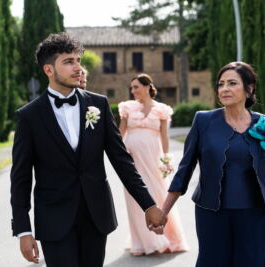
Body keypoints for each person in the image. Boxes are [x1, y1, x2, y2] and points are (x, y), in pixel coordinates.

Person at [10, 33, 167, 267]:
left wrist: (149, 204)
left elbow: (122, 161)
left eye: (78, 61)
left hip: (96, 216)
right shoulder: (29, 116)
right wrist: (23, 231)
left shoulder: (98, 104)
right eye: (68, 61)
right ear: (49, 70)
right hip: (54, 220)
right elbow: (20, 178)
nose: (77, 68)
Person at [161, 62, 265, 267]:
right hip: (211, 212)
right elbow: (184, 170)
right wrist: (164, 211)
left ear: (250, 89)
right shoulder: (203, 121)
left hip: (255, 213)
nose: (224, 89)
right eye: (220, 84)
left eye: (232, 83)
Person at [118, 73, 189, 256]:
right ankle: (143, 242)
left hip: (153, 159)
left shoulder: (162, 110)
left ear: (148, 86)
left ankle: (168, 236)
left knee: (158, 196)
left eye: (136, 87)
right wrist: (120, 155)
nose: (133, 91)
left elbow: (165, 136)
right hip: (132, 159)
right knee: (135, 199)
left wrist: (166, 158)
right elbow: (120, 133)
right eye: (131, 88)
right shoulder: (127, 108)